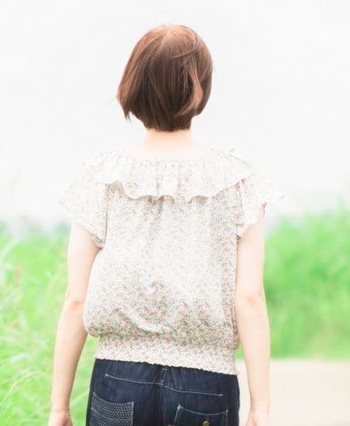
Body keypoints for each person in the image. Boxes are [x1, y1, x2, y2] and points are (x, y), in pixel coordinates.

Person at [46, 24, 281, 426]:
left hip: (117, 376)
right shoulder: (238, 181)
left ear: (132, 86)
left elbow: (76, 300)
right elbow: (250, 299)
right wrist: (260, 406)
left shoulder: (102, 176)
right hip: (207, 383)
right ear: (201, 89)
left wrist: (58, 406)